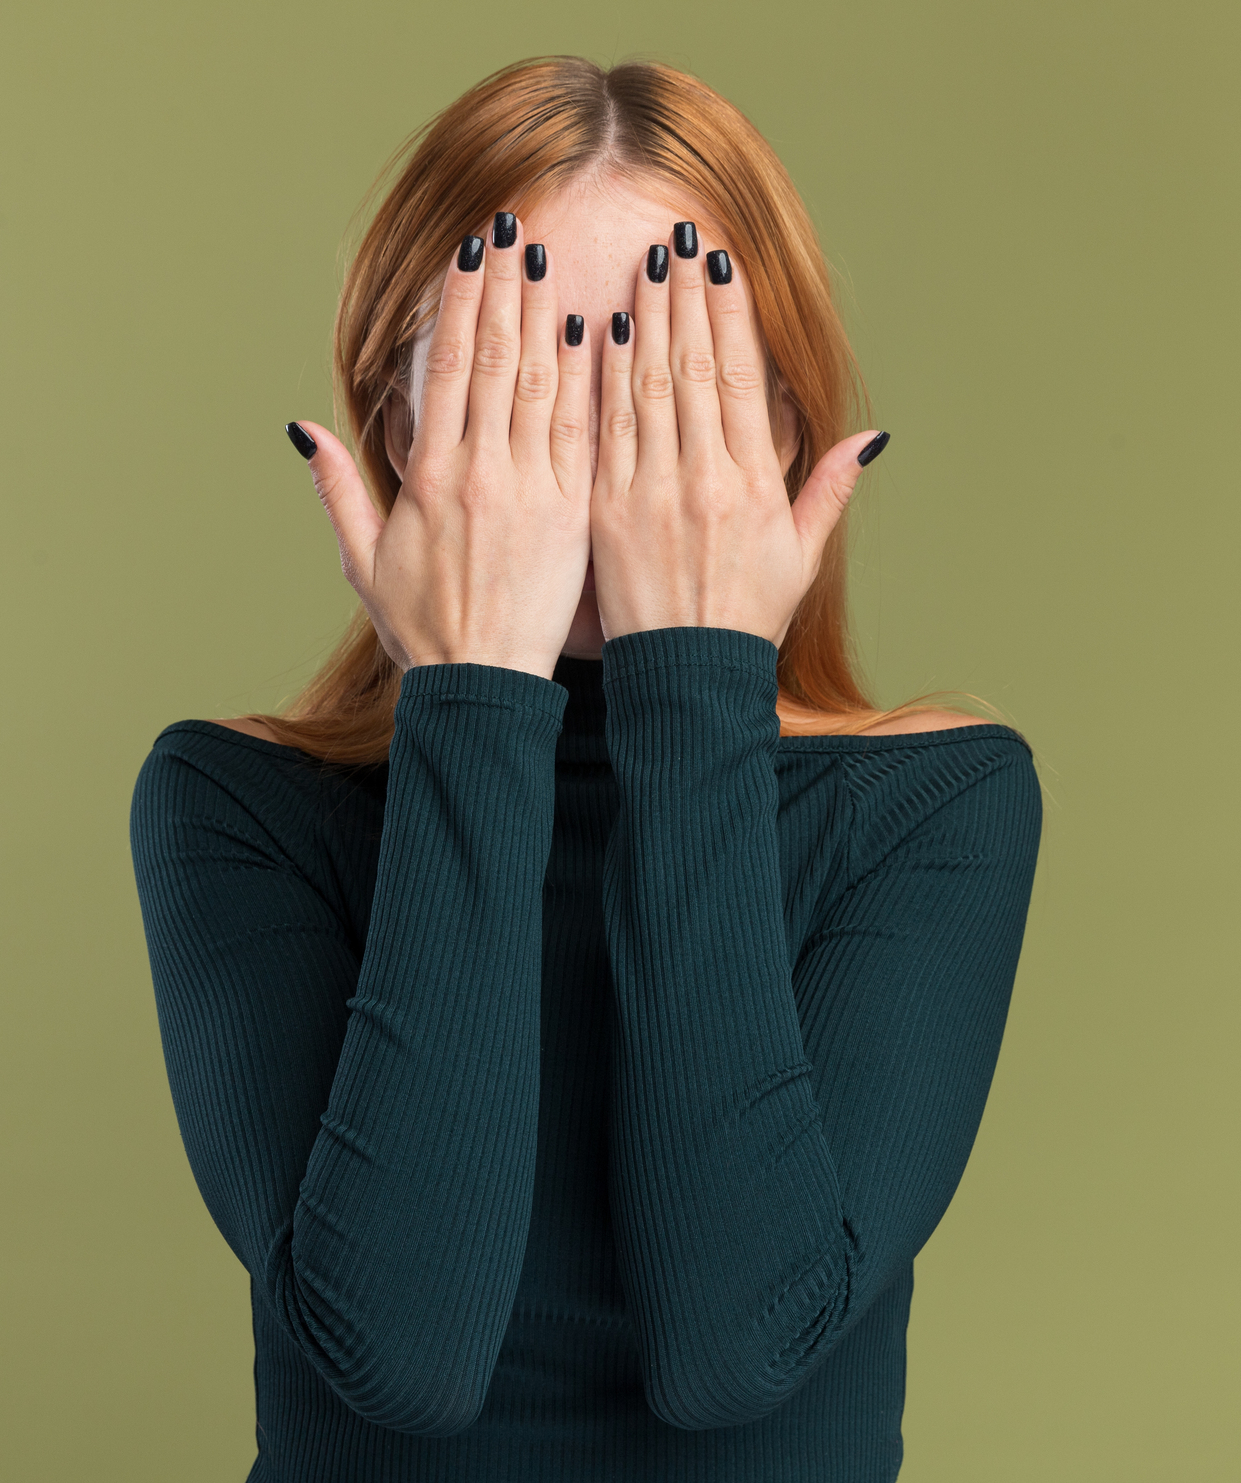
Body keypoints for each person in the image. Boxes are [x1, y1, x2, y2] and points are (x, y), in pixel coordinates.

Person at [129, 55, 1041, 1483]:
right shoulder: (240, 805)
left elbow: (739, 1344)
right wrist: (476, 695)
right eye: (523, 365)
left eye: (670, 373)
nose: (594, 442)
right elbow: (398, 1356)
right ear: (400, 425)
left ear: (782, 432)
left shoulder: (934, 806)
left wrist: (692, 684)